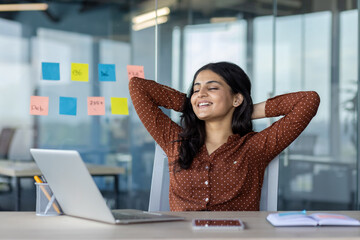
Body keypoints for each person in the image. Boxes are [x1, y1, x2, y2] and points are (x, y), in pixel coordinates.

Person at [129, 61, 320, 211]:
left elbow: (308, 100)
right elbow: (137, 87)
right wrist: (193, 105)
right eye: (196, 89)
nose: (201, 93)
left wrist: (245, 110)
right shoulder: (175, 141)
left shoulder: (255, 147)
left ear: (236, 98)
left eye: (212, 88)